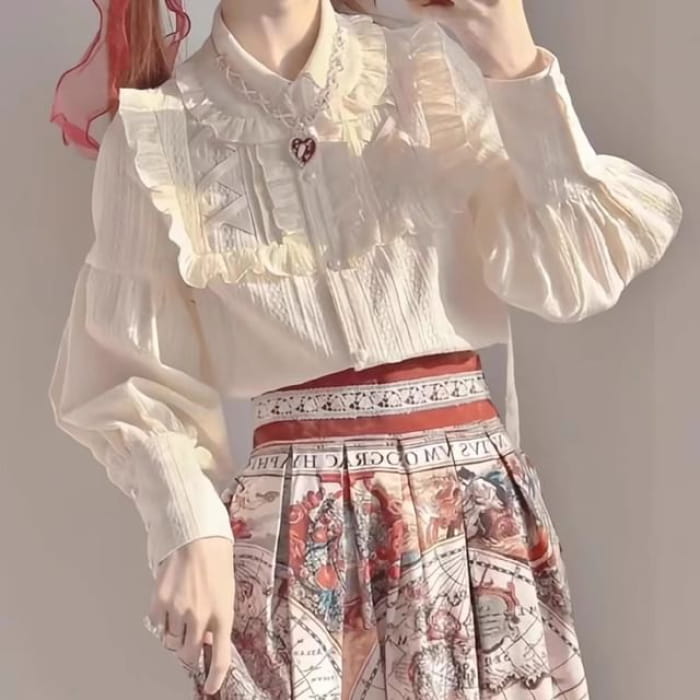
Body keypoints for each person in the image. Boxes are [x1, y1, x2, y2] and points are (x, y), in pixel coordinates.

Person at [47, 0, 683, 698]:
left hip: (469, 515)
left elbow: (576, 271)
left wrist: (517, 67)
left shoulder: (426, 70)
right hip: (293, 536)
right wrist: (189, 527)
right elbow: (128, 376)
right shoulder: (157, 133)